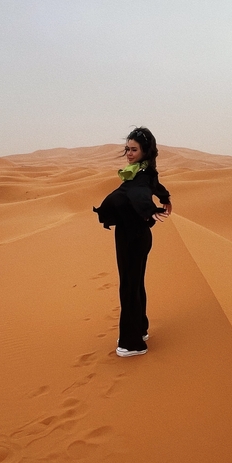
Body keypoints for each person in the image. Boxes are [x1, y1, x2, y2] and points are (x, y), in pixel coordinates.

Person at [93, 127, 172, 357]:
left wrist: (149, 210)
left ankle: (132, 343)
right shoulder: (143, 171)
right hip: (134, 235)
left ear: (146, 151)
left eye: (134, 149)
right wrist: (165, 197)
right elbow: (154, 186)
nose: (128, 153)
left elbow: (139, 194)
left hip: (133, 237)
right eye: (127, 149)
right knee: (135, 284)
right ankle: (140, 328)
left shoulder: (140, 176)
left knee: (128, 286)